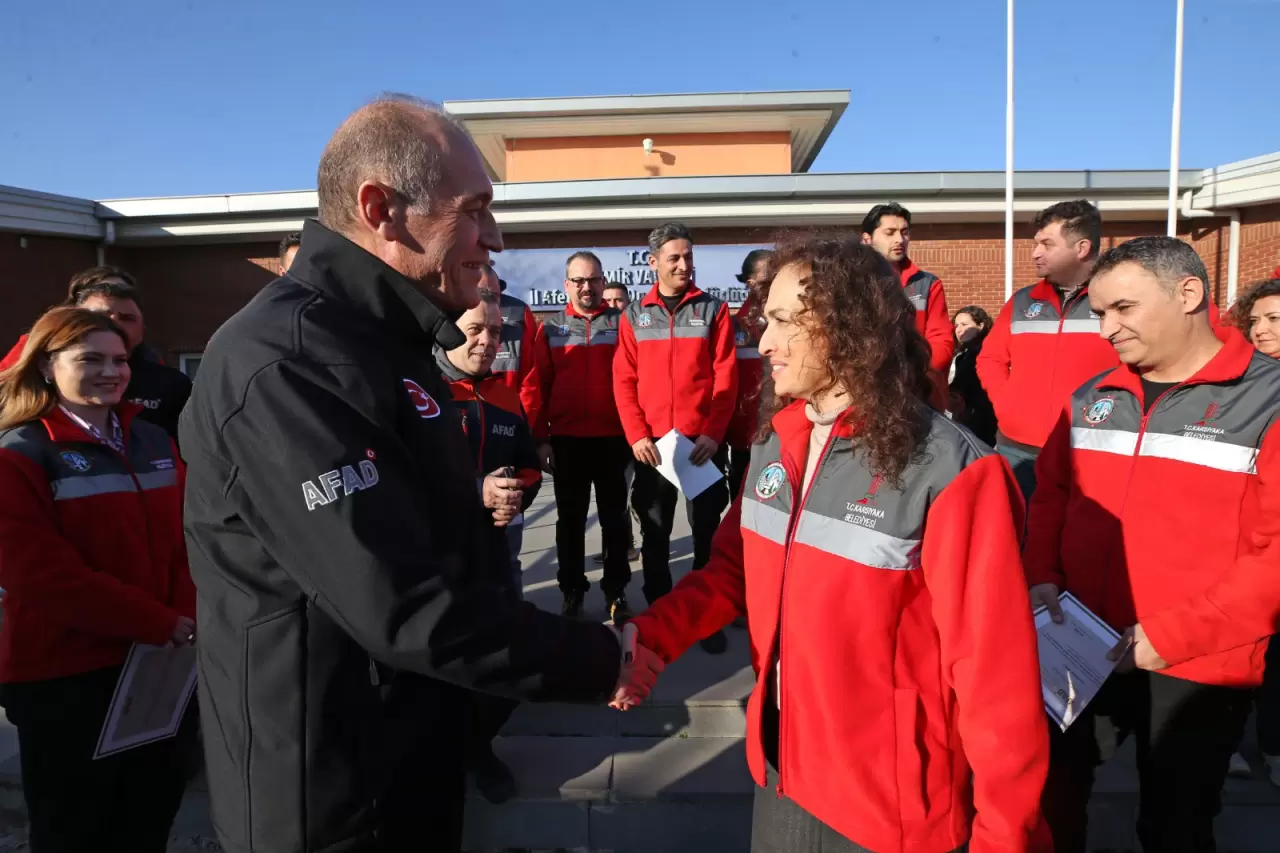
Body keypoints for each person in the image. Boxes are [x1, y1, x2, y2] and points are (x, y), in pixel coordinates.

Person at [179, 95, 660, 853]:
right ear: (383, 209)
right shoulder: (283, 364)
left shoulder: (392, 349)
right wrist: (599, 656)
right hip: (330, 801)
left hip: (414, 763)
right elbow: (403, 605)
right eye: (474, 211)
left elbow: (450, 556)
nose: (493, 237)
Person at [615, 235, 1050, 853]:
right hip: (781, 768)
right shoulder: (777, 439)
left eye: (786, 322)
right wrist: (654, 638)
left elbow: (994, 675)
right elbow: (733, 572)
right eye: (767, 321)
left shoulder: (950, 469)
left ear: (854, 329)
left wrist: (1006, 837)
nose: (763, 343)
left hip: (890, 803)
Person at [1024, 237, 1280, 853]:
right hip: (1081, 643)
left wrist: (1169, 638)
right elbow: (1052, 496)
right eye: (1100, 313)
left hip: (1199, 663)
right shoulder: (1092, 397)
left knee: (1176, 823)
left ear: (1189, 294)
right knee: (1051, 801)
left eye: (1124, 309)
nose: (1107, 328)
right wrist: (1041, 576)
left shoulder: (1268, 399)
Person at [0, 307, 197, 853]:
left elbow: (190, 538)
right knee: (75, 830)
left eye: (119, 359)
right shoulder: (18, 454)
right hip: (67, 679)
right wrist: (158, 621)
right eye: (90, 359)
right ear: (45, 366)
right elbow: (42, 576)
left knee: (148, 818)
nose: (112, 371)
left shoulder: (154, 439)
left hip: (159, 665)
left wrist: (184, 619)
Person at [437, 280, 542, 805]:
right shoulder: (421, 391)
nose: (486, 341)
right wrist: (474, 492)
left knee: (509, 663)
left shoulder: (506, 395)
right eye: (475, 328)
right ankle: (453, 753)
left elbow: (529, 465)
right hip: (438, 561)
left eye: (496, 332)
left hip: (497, 556)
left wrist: (517, 490)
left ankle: (475, 746)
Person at [614, 222, 737, 654]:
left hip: (701, 446)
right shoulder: (633, 315)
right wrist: (636, 436)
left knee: (707, 533)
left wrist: (712, 433)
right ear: (654, 263)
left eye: (688, 256)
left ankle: (703, 617)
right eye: (674, 258)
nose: (684, 264)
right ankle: (659, 611)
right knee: (655, 532)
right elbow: (624, 380)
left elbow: (725, 377)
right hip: (653, 450)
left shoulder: (713, 310)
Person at [976, 200, 1113, 501]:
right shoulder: (1022, 302)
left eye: (1047, 244)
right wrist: (1006, 404)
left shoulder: (1118, 300)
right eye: (1036, 243)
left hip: (1093, 448)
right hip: (1019, 451)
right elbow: (990, 358)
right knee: (1019, 538)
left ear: (1082, 248)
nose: (1035, 252)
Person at [536, 251, 635, 623]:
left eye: (593, 280)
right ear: (567, 285)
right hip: (567, 440)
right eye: (578, 280)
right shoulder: (551, 329)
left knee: (614, 520)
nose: (586, 287)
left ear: (603, 282)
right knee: (571, 521)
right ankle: (572, 591)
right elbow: (540, 385)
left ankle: (616, 591)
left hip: (613, 439)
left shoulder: (623, 323)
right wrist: (540, 439)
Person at [0, 267, 193, 441]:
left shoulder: (156, 435)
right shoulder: (21, 444)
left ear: (143, 329)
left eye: (119, 361)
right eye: (90, 359)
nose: (114, 325)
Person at [1228, 276, 1280, 783]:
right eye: (1256, 320)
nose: (1261, 330)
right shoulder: (1245, 386)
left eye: (1274, 321)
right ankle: (1244, 744)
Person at [861, 202, 953, 406]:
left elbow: (941, 341)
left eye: (904, 232)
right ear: (867, 239)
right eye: (890, 232)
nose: (899, 240)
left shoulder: (928, 284)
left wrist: (915, 376)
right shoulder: (853, 283)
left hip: (919, 394)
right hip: (868, 394)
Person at [725, 249, 772, 500]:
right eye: (769, 275)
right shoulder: (732, 327)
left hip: (784, 433)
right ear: (751, 283)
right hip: (745, 435)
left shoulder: (793, 319)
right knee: (740, 501)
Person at [495, 277, 545, 435]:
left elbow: (530, 384)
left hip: (512, 428)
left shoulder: (518, 310)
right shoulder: (454, 308)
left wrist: (521, 429)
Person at [948, 305, 997, 446]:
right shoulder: (964, 353)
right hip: (969, 417)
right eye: (956, 325)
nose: (959, 329)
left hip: (981, 418)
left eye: (964, 324)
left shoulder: (982, 352)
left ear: (981, 326)